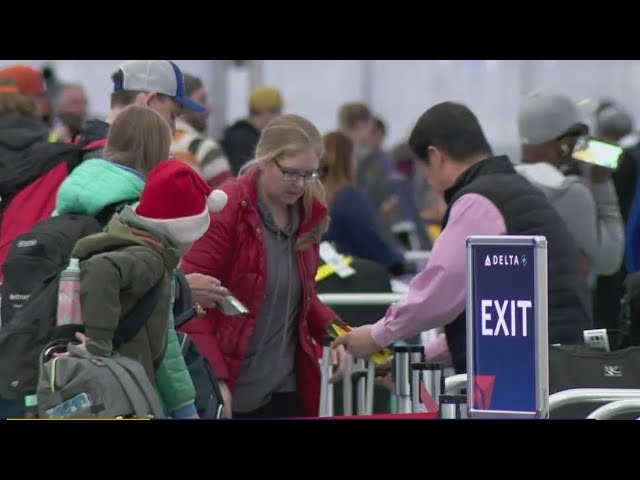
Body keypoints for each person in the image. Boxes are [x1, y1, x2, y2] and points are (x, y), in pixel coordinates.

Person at [332, 102, 592, 373]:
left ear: (436, 157)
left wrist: (377, 335)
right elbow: (486, 318)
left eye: (424, 170)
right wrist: (413, 360)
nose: (428, 181)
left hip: (528, 369)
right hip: (553, 357)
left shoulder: (478, 201)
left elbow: (440, 291)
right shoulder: (514, 190)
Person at [180, 114, 347, 418]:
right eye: (291, 173)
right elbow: (191, 303)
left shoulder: (308, 214)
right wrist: (216, 379)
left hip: (287, 388)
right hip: (234, 389)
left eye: (310, 174)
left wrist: (341, 335)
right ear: (264, 161)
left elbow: (305, 298)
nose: (300, 184)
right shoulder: (227, 207)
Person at [68, 158, 228, 418]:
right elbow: (101, 271)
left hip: (126, 388)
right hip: (125, 393)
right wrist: (99, 344)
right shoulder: (148, 259)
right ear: (182, 231)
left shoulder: (139, 246)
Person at [515, 90, 624, 279]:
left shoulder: (507, 179)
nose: (583, 142)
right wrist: (601, 183)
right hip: (561, 304)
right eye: (579, 134)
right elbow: (610, 260)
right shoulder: (568, 191)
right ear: (562, 142)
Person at [321, 130, 406, 274]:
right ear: (348, 159)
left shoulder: (314, 197)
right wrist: (400, 259)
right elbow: (375, 246)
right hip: (358, 281)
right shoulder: (350, 197)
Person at [170, 72, 232, 188]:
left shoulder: (151, 145)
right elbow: (228, 198)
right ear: (182, 103)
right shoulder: (203, 148)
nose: (209, 108)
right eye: (202, 99)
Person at [221, 86, 283, 175]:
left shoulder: (234, 135)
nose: (280, 117)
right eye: (277, 111)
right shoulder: (249, 142)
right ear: (266, 112)